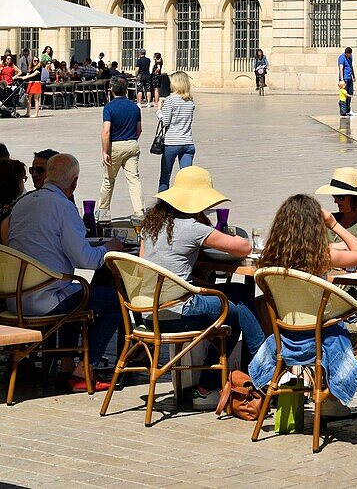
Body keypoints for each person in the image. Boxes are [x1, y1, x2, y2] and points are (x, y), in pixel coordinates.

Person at [250, 193, 357, 448]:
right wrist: (333, 224)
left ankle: (332, 401)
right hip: (322, 339)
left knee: (336, 325)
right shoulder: (323, 255)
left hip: (286, 340)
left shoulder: (270, 259)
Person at [140, 166, 264, 409]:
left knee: (234, 308)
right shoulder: (193, 228)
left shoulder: (151, 226)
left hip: (148, 311)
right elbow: (243, 247)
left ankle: (214, 386)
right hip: (178, 312)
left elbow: (149, 269)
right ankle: (259, 369)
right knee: (238, 299)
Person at [1, 153, 122, 392]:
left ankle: (67, 367)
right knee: (115, 302)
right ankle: (83, 369)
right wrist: (109, 248)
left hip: (15, 298)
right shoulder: (63, 207)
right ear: (74, 182)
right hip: (44, 299)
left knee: (76, 293)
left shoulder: (23, 203)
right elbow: (85, 260)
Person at [98, 75, 144, 220]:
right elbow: (139, 129)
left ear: (111, 89)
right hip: (132, 144)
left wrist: (105, 151)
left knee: (109, 180)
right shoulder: (134, 107)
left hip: (115, 146)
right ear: (126, 90)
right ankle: (139, 211)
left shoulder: (109, 107)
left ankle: (103, 212)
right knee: (134, 180)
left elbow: (106, 131)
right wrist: (131, 140)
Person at [157, 70, 196, 190]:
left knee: (165, 175)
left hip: (172, 142)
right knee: (186, 177)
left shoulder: (170, 100)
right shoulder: (190, 100)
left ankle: (162, 205)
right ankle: (186, 204)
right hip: (188, 142)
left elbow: (166, 122)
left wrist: (159, 111)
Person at [337, 46, 355, 117]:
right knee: (344, 95)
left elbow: (351, 66)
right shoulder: (341, 58)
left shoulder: (350, 57)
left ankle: (348, 110)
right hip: (344, 79)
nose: (349, 55)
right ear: (346, 53)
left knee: (350, 93)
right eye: (348, 54)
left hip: (349, 78)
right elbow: (341, 68)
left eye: (350, 54)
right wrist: (341, 79)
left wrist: (354, 75)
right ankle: (343, 111)